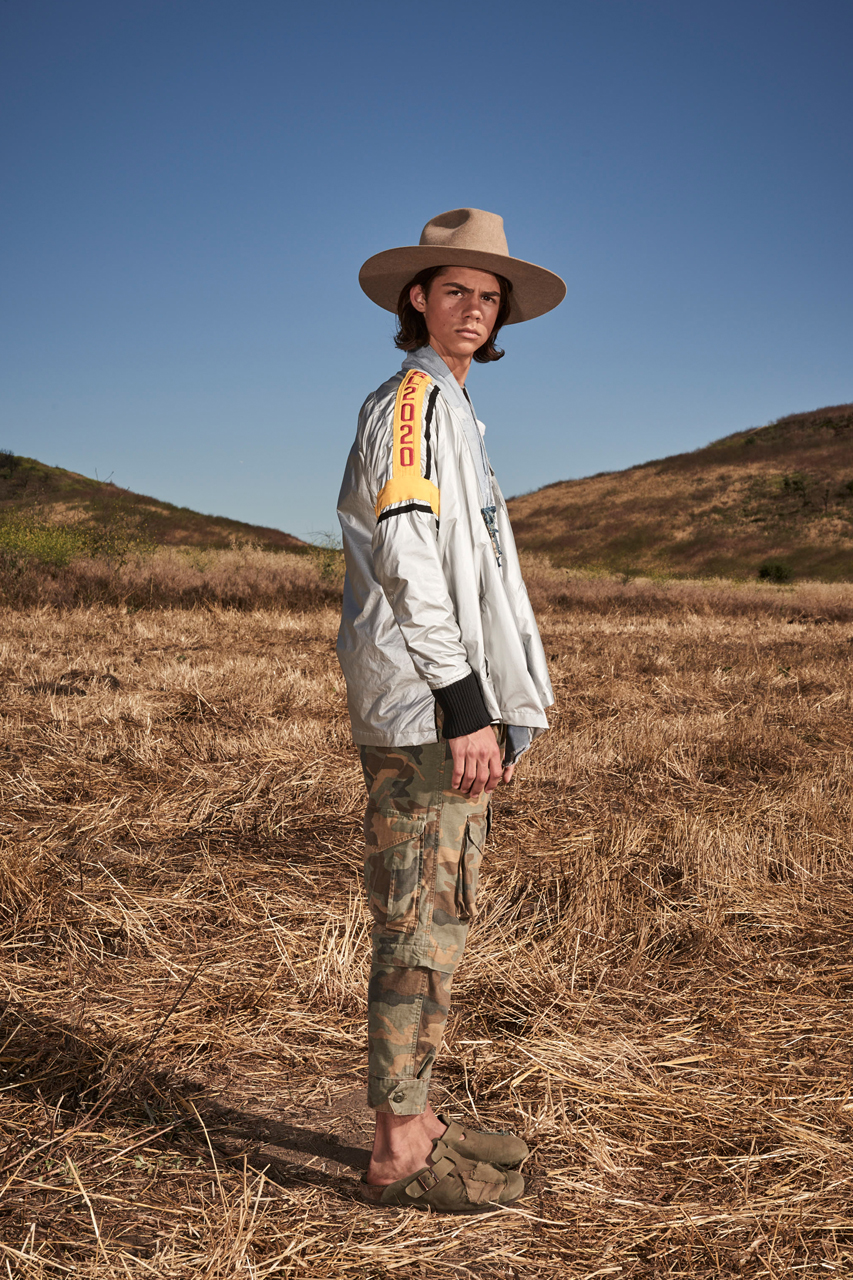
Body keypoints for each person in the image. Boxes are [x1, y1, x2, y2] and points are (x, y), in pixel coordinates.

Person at [336, 207, 565, 1211]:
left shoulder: (457, 415)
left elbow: (478, 579)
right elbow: (405, 554)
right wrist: (465, 705)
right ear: (417, 298)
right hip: (429, 710)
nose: (471, 306)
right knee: (419, 923)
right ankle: (394, 1143)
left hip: (452, 705)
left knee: (441, 910)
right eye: (452, 288)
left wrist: (503, 709)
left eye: (487, 293)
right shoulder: (409, 405)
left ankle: (418, 1109)